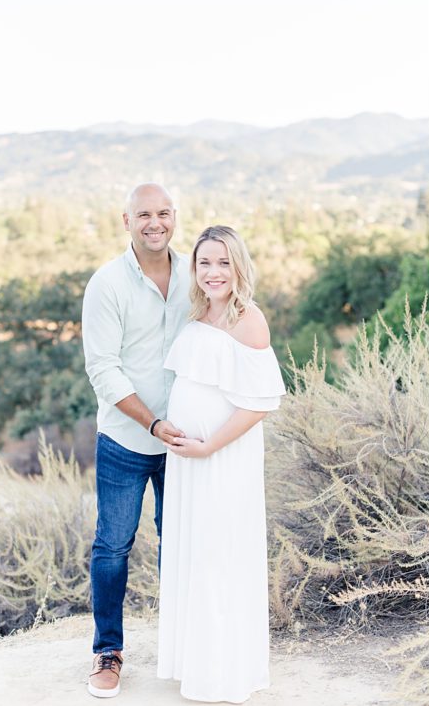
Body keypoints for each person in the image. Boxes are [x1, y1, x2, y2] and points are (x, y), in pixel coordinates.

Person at [156, 225, 285, 703]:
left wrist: (209, 447)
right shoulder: (197, 314)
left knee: (218, 555)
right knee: (194, 553)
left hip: (222, 459)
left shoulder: (248, 319)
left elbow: (261, 403)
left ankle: (223, 674)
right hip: (188, 459)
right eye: (204, 262)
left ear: (238, 267)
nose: (213, 272)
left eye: (223, 262)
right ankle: (196, 665)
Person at [81, 183, 191, 698]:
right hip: (127, 439)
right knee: (113, 547)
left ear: (175, 217)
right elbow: (102, 369)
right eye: (143, 214)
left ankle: (187, 647)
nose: (155, 222)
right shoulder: (107, 284)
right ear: (126, 220)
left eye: (163, 213)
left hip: (187, 442)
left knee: (185, 543)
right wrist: (151, 423)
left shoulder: (197, 274)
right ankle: (108, 651)